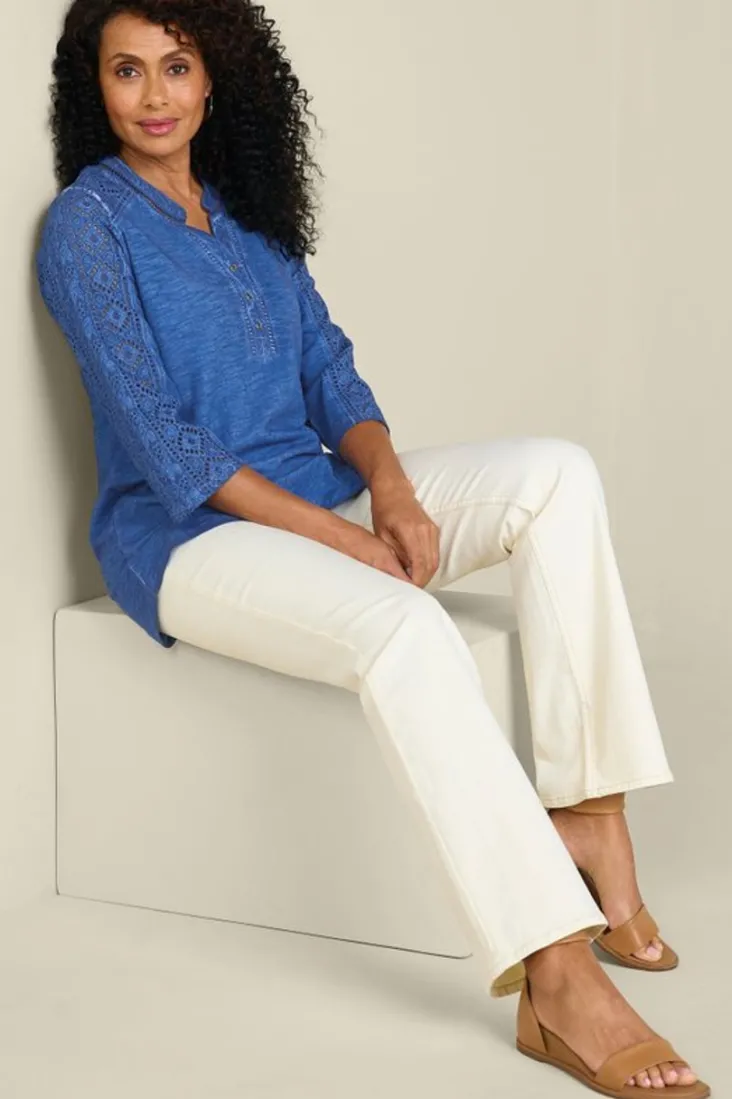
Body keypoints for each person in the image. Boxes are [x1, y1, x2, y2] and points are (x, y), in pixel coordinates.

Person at [35, 2, 709, 1095]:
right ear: (92, 86)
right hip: (184, 538)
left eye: (177, 66)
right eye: (127, 70)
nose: (155, 96)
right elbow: (167, 447)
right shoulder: (87, 225)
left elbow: (332, 376)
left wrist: (389, 490)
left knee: (556, 475)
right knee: (406, 624)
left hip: (319, 490)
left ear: (216, 77)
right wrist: (344, 542)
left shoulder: (244, 211)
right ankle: (553, 971)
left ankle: (590, 814)